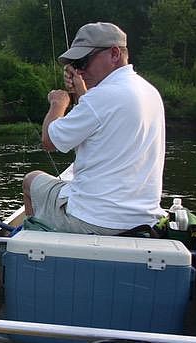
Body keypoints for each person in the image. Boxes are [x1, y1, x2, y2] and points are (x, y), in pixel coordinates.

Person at [22, 22, 166, 235]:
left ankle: (33, 246)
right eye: (75, 64)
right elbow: (98, 119)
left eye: (83, 61)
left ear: (114, 54)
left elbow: (49, 141)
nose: (79, 69)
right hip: (142, 221)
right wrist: (81, 89)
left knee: (30, 180)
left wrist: (58, 103)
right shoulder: (148, 90)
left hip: (93, 222)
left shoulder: (101, 97)